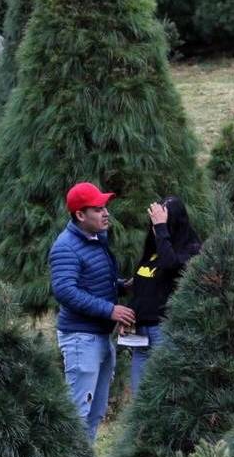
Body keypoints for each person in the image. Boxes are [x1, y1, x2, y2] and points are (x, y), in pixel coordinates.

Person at [50, 182, 134, 443]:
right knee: (78, 414)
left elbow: (91, 281)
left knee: (95, 413)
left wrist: (121, 286)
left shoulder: (95, 239)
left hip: (98, 337)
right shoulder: (66, 247)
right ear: (80, 215)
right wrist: (110, 310)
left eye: (105, 207)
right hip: (80, 339)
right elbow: (65, 291)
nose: (106, 213)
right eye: (98, 209)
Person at [125, 197, 202, 395]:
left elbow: (170, 266)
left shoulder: (191, 250)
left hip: (165, 332)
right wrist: (131, 313)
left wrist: (161, 230)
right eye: (154, 223)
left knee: (165, 396)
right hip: (142, 335)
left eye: (162, 223)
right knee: (140, 399)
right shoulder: (153, 252)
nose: (156, 229)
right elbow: (143, 286)